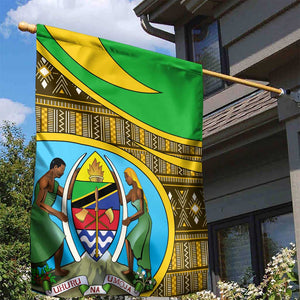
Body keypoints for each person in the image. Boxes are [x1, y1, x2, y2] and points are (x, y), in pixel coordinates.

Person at [30, 158, 77, 276]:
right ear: (55, 167)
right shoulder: (44, 181)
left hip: (45, 215)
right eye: (62, 170)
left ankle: (57, 269)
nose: (62, 173)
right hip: (38, 215)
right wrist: (58, 214)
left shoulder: (55, 184)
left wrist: (74, 177)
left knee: (58, 241)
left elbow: (68, 195)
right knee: (58, 239)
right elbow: (39, 203)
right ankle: (56, 269)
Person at [121, 168, 152, 280]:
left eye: (126, 177)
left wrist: (130, 219)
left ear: (132, 176)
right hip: (140, 221)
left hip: (145, 220)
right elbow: (122, 201)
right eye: (124, 177)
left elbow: (142, 211)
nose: (126, 180)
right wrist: (117, 183)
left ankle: (146, 273)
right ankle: (130, 269)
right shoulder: (131, 192)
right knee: (128, 240)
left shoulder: (139, 191)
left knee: (140, 245)